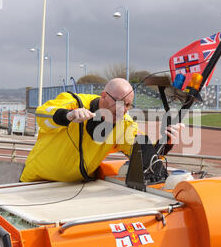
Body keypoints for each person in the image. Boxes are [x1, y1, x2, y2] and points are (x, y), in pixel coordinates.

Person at [20, 78, 184, 182]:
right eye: (119, 102)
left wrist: (166, 141)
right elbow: (42, 116)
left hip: (74, 188)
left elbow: (144, 156)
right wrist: (68, 115)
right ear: (104, 95)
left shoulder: (124, 125)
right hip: (35, 182)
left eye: (128, 105)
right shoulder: (74, 102)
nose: (123, 109)